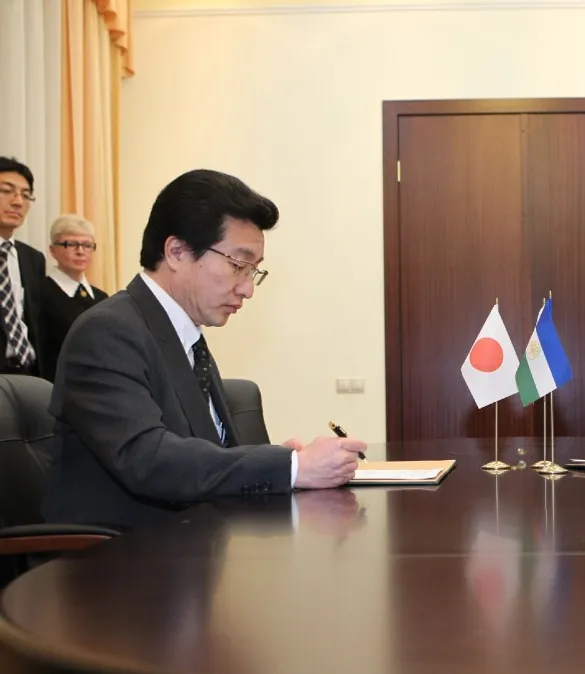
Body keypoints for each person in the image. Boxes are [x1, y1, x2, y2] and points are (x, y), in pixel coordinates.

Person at [42, 169, 366, 529]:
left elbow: (208, 455)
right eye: (238, 265)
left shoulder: (185, 336)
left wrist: (278, 459)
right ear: (177, 251)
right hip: (120, 553)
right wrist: (291, 468)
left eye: (253, 271)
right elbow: (147, 459)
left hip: (193, 541)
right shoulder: (107, 333)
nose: (247, 289)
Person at [39, 214, 109, 381]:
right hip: (55, 384)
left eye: (87, 245)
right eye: (70, 244)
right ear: (52, 250)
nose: (80, 251)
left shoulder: (101, 297)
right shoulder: (39, 292)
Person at [0, 156, 47, 376]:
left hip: (28, 372)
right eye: (6, 191)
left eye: (26, 195)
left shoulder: (33, 259)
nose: (18, 202)